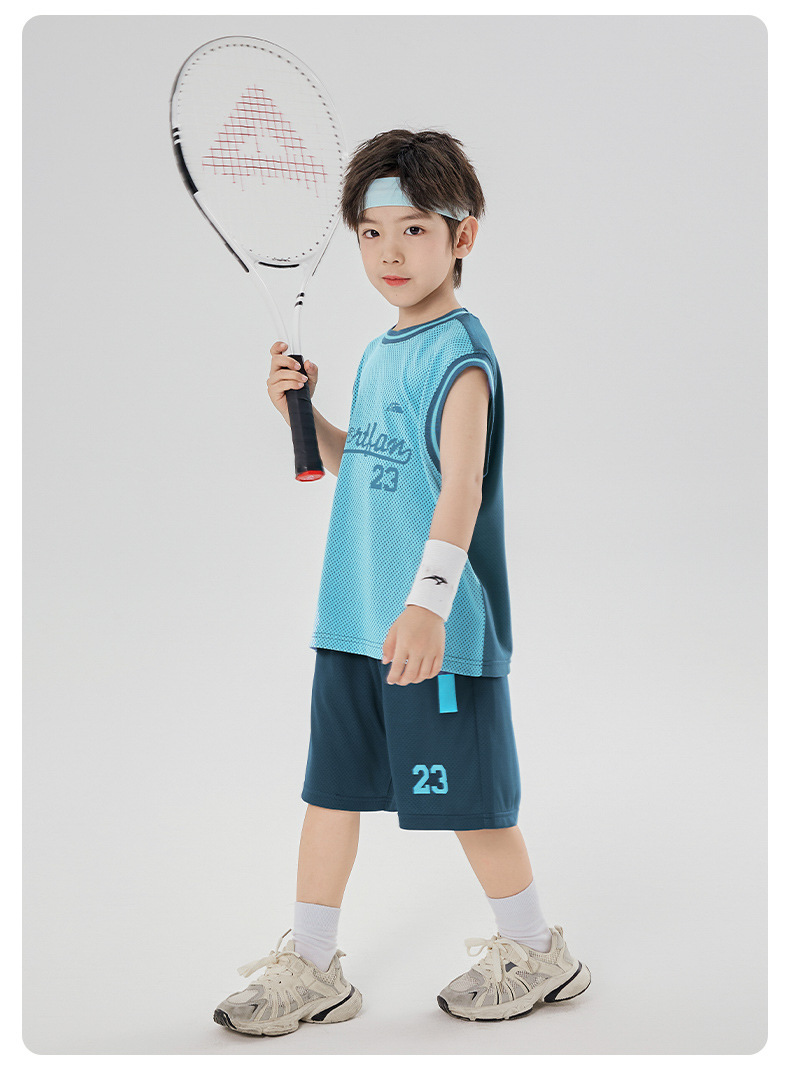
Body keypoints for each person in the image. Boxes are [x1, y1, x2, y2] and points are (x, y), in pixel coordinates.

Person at [214, 129, 590, 1036]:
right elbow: (376, 465)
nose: (389, 251)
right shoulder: (384, 349)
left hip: (435, 631)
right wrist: (304, 416)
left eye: (414, 229)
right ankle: (312, 966)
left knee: (471, 804)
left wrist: (426, 604)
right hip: (354, 620)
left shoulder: (460, 357)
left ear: (463, 237)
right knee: (329, 793)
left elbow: (460, 488)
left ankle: (539, 950)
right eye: (371, 232)